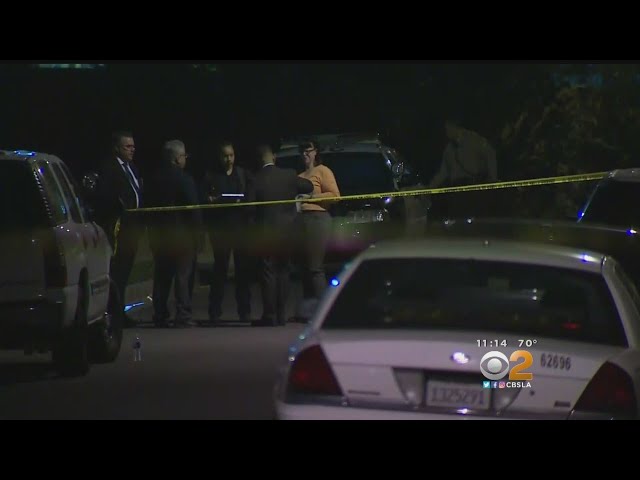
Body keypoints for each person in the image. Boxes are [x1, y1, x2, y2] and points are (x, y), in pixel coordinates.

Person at [246, 144, 313, 326]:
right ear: (274, 157)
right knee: (283, 271)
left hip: (266, 233)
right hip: (288, 232)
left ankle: (270, 315)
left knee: (268, 272)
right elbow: (308, 186)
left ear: (259, 160)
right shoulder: (289, 175)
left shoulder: (255, 179)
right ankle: (281, 314)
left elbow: (249, 208)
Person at [145, 140, 202, 328]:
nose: (185, 159)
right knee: (183, 277)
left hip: (160, 235)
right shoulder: (184, 179)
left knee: (162, 276)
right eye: (184, 156)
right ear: (177, 158)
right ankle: (183, 314)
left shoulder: (153, 179)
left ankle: (160, 314)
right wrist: (198, 235)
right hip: (182, 236)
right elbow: (193, 210)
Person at [94, 131, 144, 327]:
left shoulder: (132, 168)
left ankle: (120, 311)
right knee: (117, 272)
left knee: (125, 272)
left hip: (133, 228)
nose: (132, 150)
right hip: (118, 229)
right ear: (116, 148)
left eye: (133, 146)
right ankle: (113, 314)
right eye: (127, 146)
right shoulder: (110, 169)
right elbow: (106, 197)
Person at [200, 141, 253, 323]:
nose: (228, 159)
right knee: (220, 271)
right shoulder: (211, 176)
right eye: (225, 156)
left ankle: (244, 311)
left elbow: (250, 198)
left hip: (240, 230)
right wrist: (211, 200)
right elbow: (203, 199)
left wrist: (243, 203)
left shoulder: (242, 174)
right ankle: (214, 312)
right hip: (220, 231)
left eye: (231, 155)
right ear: (219, 157)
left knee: (242, 272)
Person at [295, 139, 340, 319]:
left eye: (308, 150)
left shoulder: (323, 170)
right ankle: (308, 311)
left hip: (317, 218)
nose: (304, 154)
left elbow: (335, 196)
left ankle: (322, 312)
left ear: (316, 152)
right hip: (301, 220)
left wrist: (311, 197)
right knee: (304, 267)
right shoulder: (299, 175)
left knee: (315, 267)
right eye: (302, 150)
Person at [428, 119, 497, 219]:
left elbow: (490, 154)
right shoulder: (449, 149)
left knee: (475, 219)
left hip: (473, 187)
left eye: (448, 129)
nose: (446, 133)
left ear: (455, 127)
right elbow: (443, 172)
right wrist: (430, 188)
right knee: (458, 219)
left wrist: (493, 179)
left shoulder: (473, 139)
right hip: (457, 191)